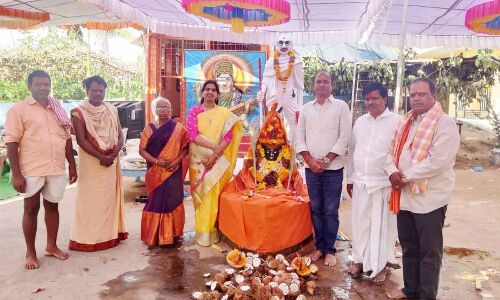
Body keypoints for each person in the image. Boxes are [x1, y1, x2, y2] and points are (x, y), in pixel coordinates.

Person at [386, 78, 460, 299]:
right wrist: (391, 171)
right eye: (412, 95)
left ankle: (426, 295)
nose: (415, 98)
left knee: (429, 253)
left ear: (433, 95)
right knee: (409, 247)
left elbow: (437, 162)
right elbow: (390, 153)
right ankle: (410, 290)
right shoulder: (405, 122)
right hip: (405, 197)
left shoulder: (445, 123)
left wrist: (403, 176)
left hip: (430, 200)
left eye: (421, 94)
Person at [4, 70, 77, 269]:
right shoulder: (18, 110)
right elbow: (11, 142)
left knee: (53, 206)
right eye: (38, 84)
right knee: (31, 209)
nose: (43, 88)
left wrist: (72, 164)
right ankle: (30, 252)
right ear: (29, 86)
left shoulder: (57, 108)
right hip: (31, 168)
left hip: (56, 167)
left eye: (46, 84)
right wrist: (17, 174)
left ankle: (51, 246)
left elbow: (67, 138)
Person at [346, 83, 401, 281]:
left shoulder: (397, 122)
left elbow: (399, 153)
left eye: (375, 98)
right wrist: (350, 178)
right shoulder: (360, 122)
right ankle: (359, 260)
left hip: (384, 183)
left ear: (384, 99)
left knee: (383, 225)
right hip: (361, 181)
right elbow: (353, 151)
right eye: (367, 99)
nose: (370, 102)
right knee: (360, 223)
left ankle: (382, 264)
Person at [296, 71, 351, 267]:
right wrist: (309, 160)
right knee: (316, 209)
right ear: (313, 86)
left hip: (333, 169)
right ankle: (319, 247)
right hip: (311, 169)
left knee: (330, 210)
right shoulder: (306, 109)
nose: (321, 85)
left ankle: (330, 250)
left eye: (325, 81)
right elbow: (299, 138)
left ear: (331, 85)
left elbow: (345, 136)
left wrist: (327, 160)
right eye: (318, 82)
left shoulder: (341, 107)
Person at [69, 75, 127, 251]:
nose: (97, 94)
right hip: (92, 164)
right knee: (90, 201)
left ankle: (109, 236)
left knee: (108, 200)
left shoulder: (111, 109)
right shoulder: (78, 112)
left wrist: (113, 154)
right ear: (86, 91)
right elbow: (81, 140)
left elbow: (120, 135)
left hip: (110, 162)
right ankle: (88, 239)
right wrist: (102, 157)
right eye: (94, 90)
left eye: (101, 91)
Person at [188, 80, 243, 246]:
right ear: (203, 92)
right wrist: (214, 148)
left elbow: (228, 136)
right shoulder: (194, 111)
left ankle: (215, 229)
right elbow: (192, 135)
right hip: (199, 160)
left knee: (216, 195)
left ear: (218, 95)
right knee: (202, 195)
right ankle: (203, 232)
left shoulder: (224, 113)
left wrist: (215, 154)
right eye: (207, 89)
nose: (210, 92)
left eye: (213, 90)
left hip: (217, 160)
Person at [139, 97, 189, 247]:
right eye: (159, 107)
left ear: (171, 110)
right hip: (155, 172)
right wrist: (156, 161)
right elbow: (141, 150)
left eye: (165, 107)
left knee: (172, 201)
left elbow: (186, 147)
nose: (162, 110)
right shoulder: (149, 128)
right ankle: (153, 234)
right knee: (155, 201)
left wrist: (177, 161)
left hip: (173, 171)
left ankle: (172, 234)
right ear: (155, 110)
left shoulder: (179, 128)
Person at [257, 35, 304, 142]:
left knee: (293, 121)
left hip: (290, 95)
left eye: (287, 43)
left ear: (291, 45)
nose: (284, 46)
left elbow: (300, 85)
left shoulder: (296, 61)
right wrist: (262, 91)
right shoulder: (271, 61)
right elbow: (265, 81)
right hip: (275, 95)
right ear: (276, 45)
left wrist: (299, 106)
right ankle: (274, 147)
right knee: (272, 120)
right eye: (281, 43)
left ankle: (295, 149)